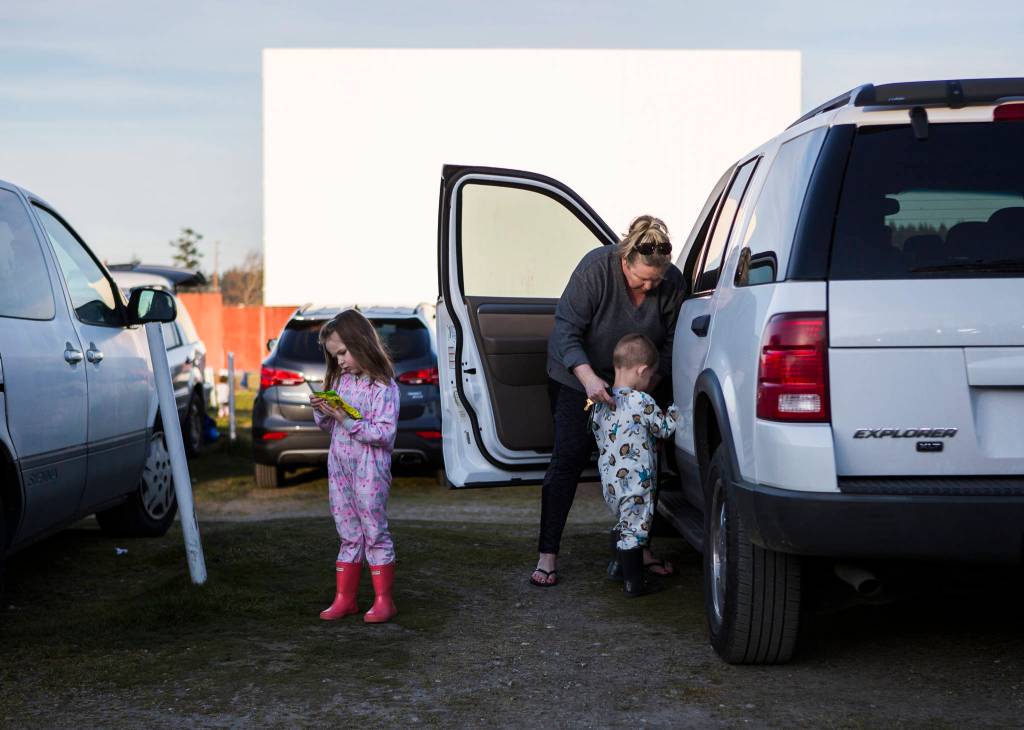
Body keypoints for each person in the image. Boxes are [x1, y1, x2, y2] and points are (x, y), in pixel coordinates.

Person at [531, 214, 686, 588]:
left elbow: (671, 344)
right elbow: (565, 332)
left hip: (640, 382)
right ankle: (547, 555)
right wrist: (588, 379)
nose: (649, 287)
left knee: (648, 461)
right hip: (577, 377)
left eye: (656, 280)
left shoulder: (672, 282)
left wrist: (644, 389)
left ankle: (639, 547)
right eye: (641, 279)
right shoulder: (595, 269)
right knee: (567, 458)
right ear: (625, 259)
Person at [310, 309, 401, 623]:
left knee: (374, 532)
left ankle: (383, 600)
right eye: (334, 356)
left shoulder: (383, 386)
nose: (339, 361)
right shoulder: (341, 379)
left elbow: (384, 433)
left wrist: (346, 420)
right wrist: (323, 410)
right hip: (340, 468)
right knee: (348, 533)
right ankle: (344, 599)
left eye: (343, 353)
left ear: (361, 344)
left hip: (370, 469)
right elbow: (329, 426)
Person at [590, 334, 679, 597]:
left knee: (624, 522)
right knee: (637, 529)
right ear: (642, 370)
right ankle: (634, 584)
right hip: (636, 483)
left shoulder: (600, 403)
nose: (650, 382)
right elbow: (664, 429)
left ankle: (618, 567)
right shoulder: (642, 401)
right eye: (650, 376)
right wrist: (676, 409)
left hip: (611, 482)